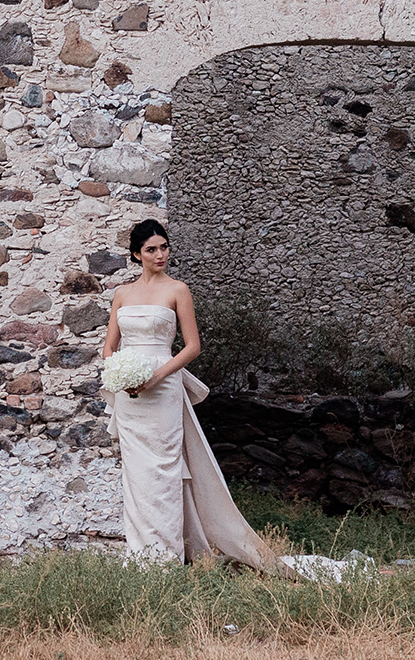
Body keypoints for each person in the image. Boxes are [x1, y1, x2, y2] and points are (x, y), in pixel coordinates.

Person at [100, 219, 277, 570]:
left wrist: (155, 376)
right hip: (130, 397)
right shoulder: (122, 294)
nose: (161, 254)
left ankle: (167, 558)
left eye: (164, 247)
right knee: (137, 476)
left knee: (165, 472)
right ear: (137, 255)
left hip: (163, 389)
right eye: (152, 249)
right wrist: (122, 376)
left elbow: (192, 347)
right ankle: (140, 558)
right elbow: (108, 348)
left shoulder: (178, 290)